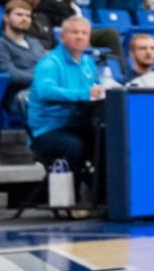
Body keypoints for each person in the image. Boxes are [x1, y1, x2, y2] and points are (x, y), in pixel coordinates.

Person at [27, 16, 104, 186]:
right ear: (62, 37)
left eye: (84, 33)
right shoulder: (49, 63)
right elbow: (46, 92)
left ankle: (102, 197)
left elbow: (97, 90)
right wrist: (85, 94)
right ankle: (71, 199)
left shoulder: (88, 64)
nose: (79, 36)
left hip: (78, 124)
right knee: (75, 146)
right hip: (48, 130)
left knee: (108, 141)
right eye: (74, 32)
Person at [0, 0, 49, 115]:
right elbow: (11, 74)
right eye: (19, 14)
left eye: (28, 16)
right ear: (6, 18)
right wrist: (40, 78)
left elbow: (47, 67)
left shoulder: (35, 43)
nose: (24, 19)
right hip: (16, 97)